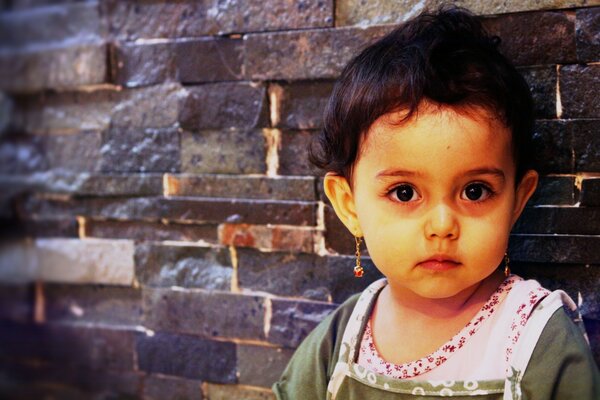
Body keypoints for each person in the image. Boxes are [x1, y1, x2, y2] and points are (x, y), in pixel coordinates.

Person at [272, 6, 600, 400]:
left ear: (516, 200)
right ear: (349, 206)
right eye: (404, 192)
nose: (442, 224)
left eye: (475, 191)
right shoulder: (341, 341)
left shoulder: (535, 341)